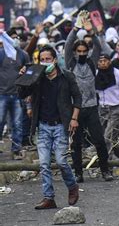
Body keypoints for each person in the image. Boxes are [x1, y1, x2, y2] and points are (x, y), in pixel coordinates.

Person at [17, 45, 81, 210]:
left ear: (55, 59)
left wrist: (74, 118)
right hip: (43, 126)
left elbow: (77, 97)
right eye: (42, 59)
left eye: (48, 59)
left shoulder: (66, 76)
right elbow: (22, 94)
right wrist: (24, 78)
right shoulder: (37, 76)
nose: (45, 62)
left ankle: (72, 186)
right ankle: (48, 197)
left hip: (61, 125)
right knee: (44, 164)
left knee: (61, 161)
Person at [64, 11, 112, 183]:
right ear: (76, 52)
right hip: (75, 109)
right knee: (76, 144)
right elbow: (68, 46)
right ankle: (78, 173)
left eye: (84, 51)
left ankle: (105, 171)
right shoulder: (71, 63)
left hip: (92, 107)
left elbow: (98, 47)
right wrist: (76, 28)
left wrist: (91, 31)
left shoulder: (92, 63)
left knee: (99, 141)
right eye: (79, 51)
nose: (82, 53)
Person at [0, 30, 29, 159]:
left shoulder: (23, 55)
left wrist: (27, 92)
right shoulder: (1, 54)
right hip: (2, 94)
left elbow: (29, 73)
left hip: (17, 94)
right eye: (12, 38)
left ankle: (16, 149)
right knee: (0, 122)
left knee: (17, 123)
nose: (15, 40)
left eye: (16, 38)